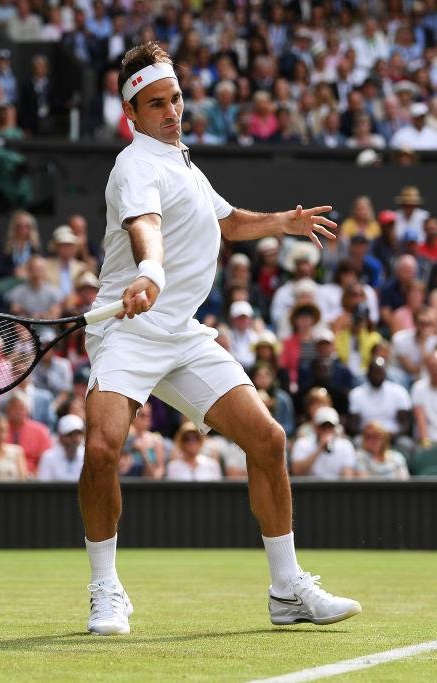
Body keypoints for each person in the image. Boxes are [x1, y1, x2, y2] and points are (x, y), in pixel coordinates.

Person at [78, 43, 359, 637]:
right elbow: (145, 231)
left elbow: (227, 223)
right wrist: (150, 273)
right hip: (129, 332)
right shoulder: (134, 168)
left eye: (175, 98)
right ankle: (105, 589)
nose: (172, 110)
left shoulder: (182, 162)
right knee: (102, 449)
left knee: (268, 438)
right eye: (157, 104)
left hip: (181, 334)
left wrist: (282, 222)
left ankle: (287, 590)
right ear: (132, 113)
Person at [289, 406, 356, 479]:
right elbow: (297, 471)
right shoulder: (302, 443)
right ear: (315, 427)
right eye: (323, 426)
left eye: (330, 426)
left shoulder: (346, 445)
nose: (327, 430)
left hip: (336, 489)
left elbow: (348, 476)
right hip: (310, 489)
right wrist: (320, 448)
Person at [3, 393, 52, 475]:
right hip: (4, 477)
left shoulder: (40, 431)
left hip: (34, 479)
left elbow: (46, 460)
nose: (18, 411)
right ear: (7, 410)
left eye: (21, 408)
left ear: (27, 410)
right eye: (14, 408)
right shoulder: (0, 429)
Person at [38, 414, 87, 481]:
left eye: (78, 434)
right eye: (69, 435)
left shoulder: (87, 457)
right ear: (61, 437)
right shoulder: (48, 457)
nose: (75, 439)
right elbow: (44, 486)